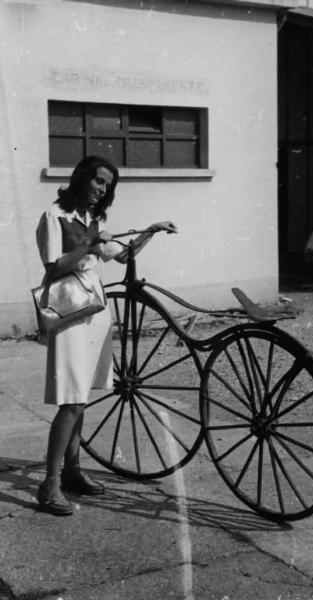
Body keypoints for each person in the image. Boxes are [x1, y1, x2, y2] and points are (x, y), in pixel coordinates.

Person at [35, 155, 177, 516]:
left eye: (107, 185)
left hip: (95, 313)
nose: (102, 190)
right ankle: (49, 485)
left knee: (82, 395)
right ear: (82, 178)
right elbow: (53, 268)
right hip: (67, 312)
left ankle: (72, 472)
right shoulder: (54, 216)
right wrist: (90, 245)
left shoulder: (93, 219)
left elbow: (122, 253)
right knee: (72, 400)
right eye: (99, 181)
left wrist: (151, 230)